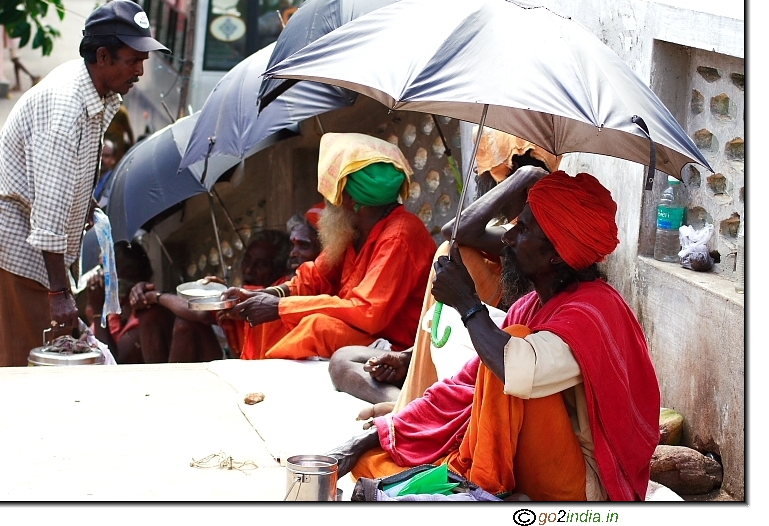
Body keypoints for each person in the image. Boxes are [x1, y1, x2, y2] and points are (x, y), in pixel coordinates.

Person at [326, 168, 661, 502]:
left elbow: (515, 368)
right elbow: (462, 388)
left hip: (581, 488)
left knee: (511, 346)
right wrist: (371, 439)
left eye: (523, 228)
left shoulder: (591, 314)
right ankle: (480, 488)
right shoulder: (530, 305)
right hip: (531, 461)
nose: (507, 238)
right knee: (373, 464)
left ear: (557, 254)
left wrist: (468, 303)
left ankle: (483, 491)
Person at [0, 0, 170, 367]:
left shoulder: (96, 89)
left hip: (38, 241)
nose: (140, 71)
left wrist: (85, 202)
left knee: (56, 351)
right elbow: (48, 215)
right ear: (102, 56)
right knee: (30, 362)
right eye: (133, 60)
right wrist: (59, 292)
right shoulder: (66, 107)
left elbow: (65, 177)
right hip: (17, 242)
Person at [329, 134, 561, 407]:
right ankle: (405, 403)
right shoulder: (511, 235)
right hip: (462, 343)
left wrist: (522, 177)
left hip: (495, 357)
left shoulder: (535, 241)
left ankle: (410, 408)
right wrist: (408, 357)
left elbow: (454, 233)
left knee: (450, 252)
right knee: (342, 361)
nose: (486, 185)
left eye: (492, 178)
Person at [221, 132, 436, 360]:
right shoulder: (353, 230)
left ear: (349, 199)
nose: (327, 203)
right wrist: (266, 295)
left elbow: (367, 313)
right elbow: (313, 278)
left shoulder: (400, 235)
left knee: (318, 327)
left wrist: (280, 306)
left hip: (399, 349)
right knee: (270, 318)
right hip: (364, 335)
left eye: (331, 195)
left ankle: (271, 383)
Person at [129, 229, 291, 363]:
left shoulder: (282, 286)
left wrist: (155, 296)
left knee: (185, 323)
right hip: (237, 360)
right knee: (151, 314)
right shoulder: (245, 290)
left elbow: (199, 311)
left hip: (259, 369)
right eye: (247, 260)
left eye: (261, 265)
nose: (249, 270)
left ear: (279, 269)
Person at [219, 205, 324, 359]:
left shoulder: (334, 281)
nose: (293, 253)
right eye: (292, 245)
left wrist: (279, 306)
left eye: (304, 246)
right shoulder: (290, 282)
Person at [86, 241, 170, 364]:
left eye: (108, 269)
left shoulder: (147, 309)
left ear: (132, 271)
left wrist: (98, 312)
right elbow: (82, 344)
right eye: (101, 269)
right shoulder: (116, 310)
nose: (102, 275)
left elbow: (113, 362)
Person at [94, 140, 118, 205]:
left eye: (106, 156)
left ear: (113, 159)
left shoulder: (114, 181)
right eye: (100, 154)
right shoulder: (90, 177)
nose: (101, 159)